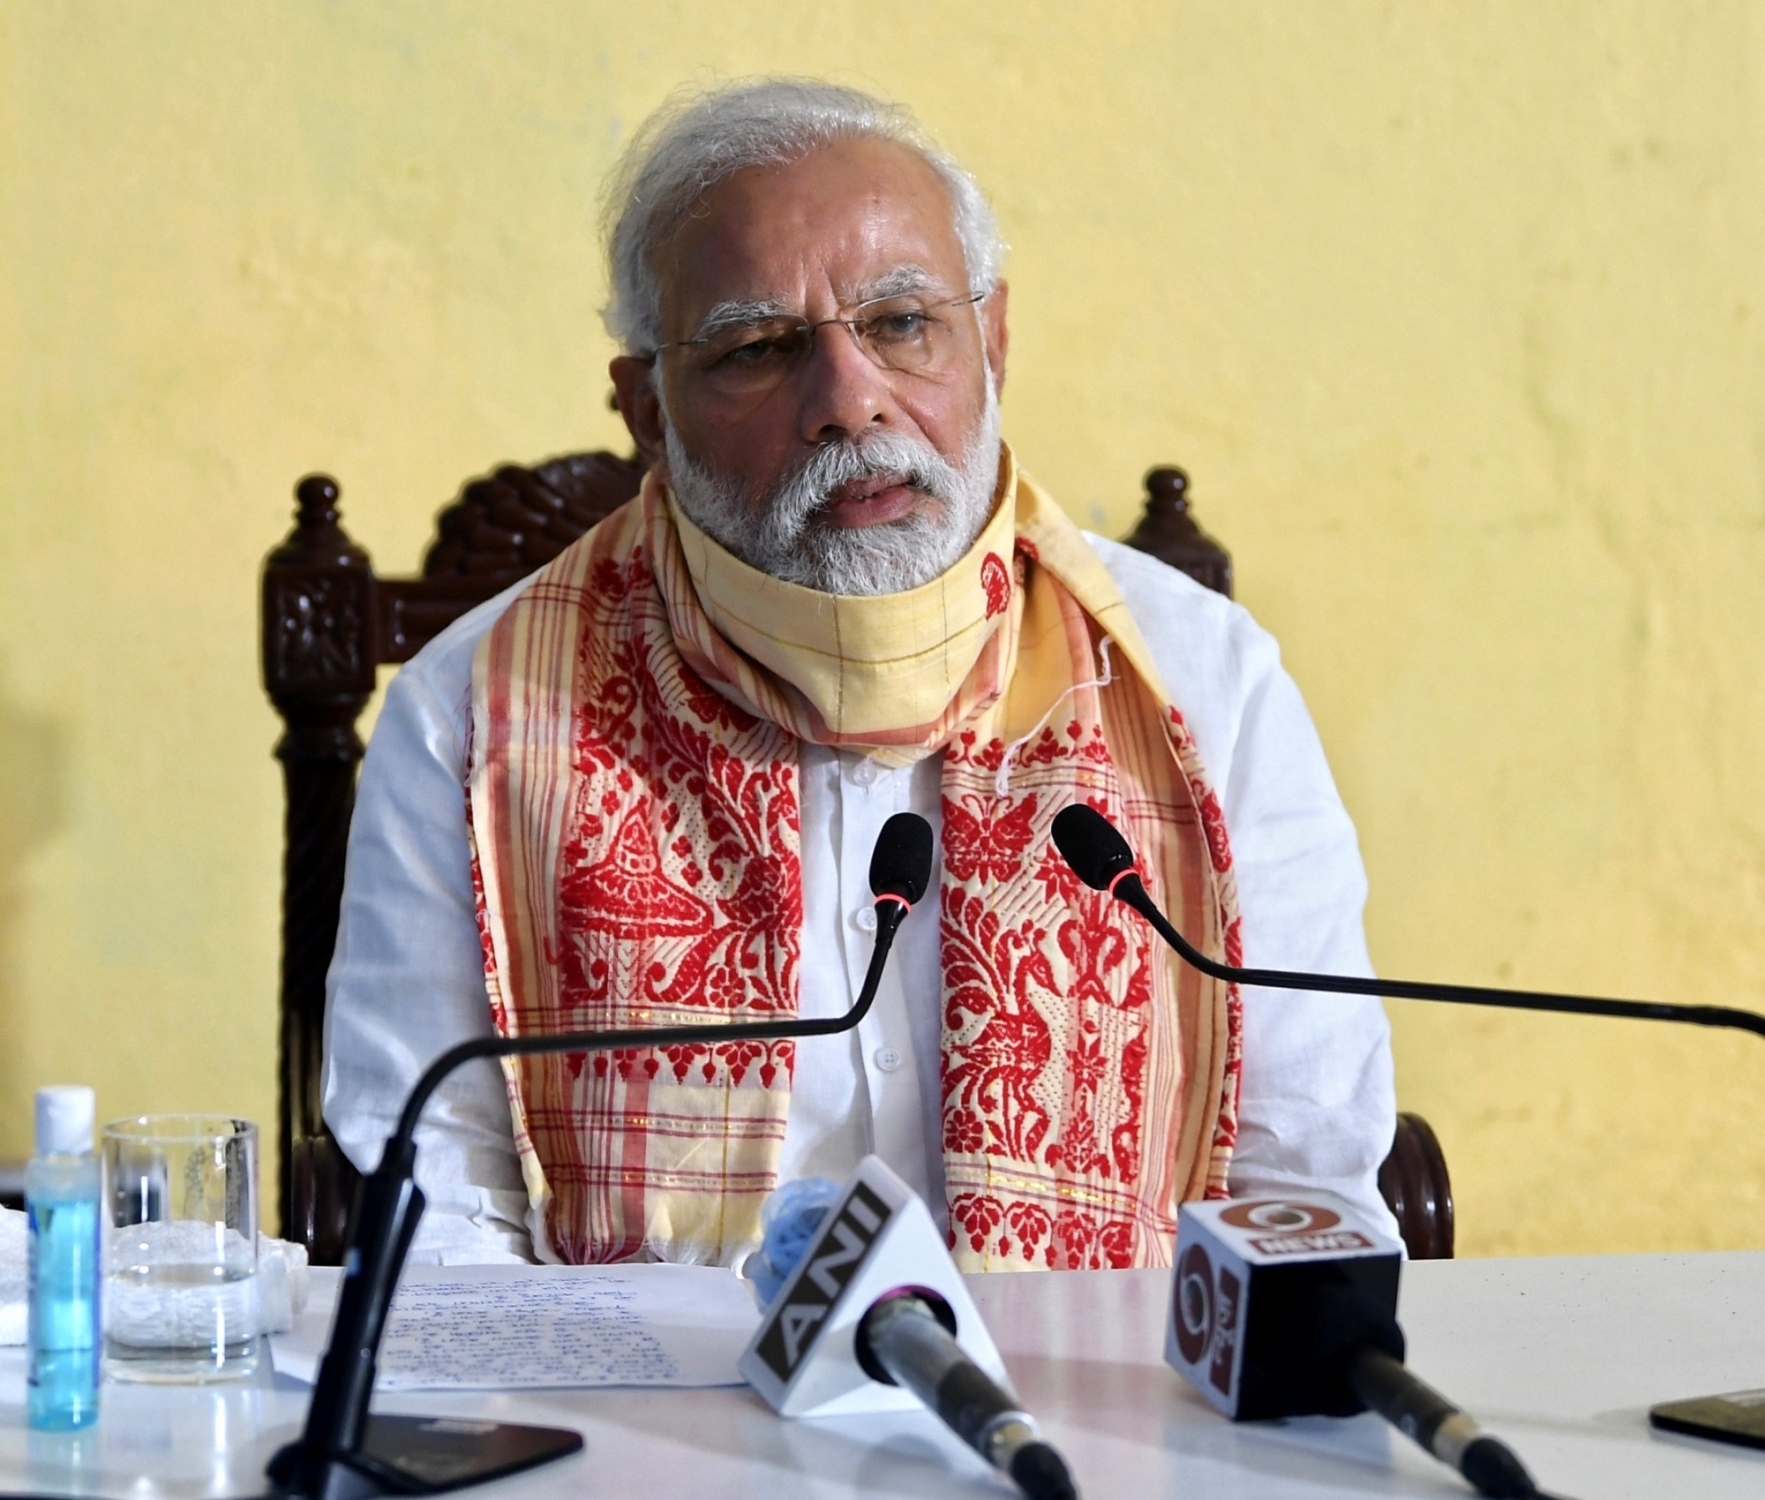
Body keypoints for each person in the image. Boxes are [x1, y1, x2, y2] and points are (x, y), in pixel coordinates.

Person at [323, 78, 1397, 1269]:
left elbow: (1298, 1176)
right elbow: (437, 1205)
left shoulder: (1203, 687)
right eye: (757, 349)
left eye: (898, 324)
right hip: (655, 1423)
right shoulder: (474, 718)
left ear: (990, 338)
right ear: (646, 410)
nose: (848, 404)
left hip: (1100, 1419)